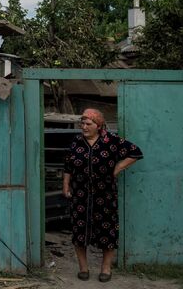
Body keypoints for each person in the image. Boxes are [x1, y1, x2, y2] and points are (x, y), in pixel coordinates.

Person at [62, 108, 143, 283]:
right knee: (79, 230)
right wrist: (66, 185)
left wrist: (119, 167)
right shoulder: (76, 142)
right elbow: (68, 166)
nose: (83, 127)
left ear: (98, 126)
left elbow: (136, 152)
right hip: (80, 194)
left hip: (105, 195)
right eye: (82, 123)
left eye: (88, 124)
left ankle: (106, 268)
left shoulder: (111, 141)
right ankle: (83, 268)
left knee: (108, 231)